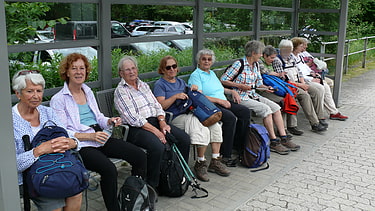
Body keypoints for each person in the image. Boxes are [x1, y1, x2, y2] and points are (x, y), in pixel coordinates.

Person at [50, 53, 147, 211]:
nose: (79, 72)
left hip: (100, 136)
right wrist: (90, 136)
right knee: (108, 169)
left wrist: (109, 121)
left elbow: (99, 117)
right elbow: (63, 131)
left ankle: (134, 197)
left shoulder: (87, 91)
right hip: (81, 144)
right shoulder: (59, 99)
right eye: (74, 68)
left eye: (82, 68)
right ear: (67, 72)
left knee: (139, 156)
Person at [114, 55, 190, 189]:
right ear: (121, 73)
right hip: (137, 129)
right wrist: (157, 131)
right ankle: (152, 186)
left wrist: (162, 122)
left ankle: (176, 176)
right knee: (157, 146)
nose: (131, 72)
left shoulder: (143, 85)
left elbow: (157, 106)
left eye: (133, 68)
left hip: (155, 122)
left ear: (137, 70)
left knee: (183, 139)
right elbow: (133, 118)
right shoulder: (121, 91)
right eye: (127, 70)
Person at [12, 69, 82, 211]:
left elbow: (67, 135)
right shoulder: (9, 120)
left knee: (76, 190)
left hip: (58, 166)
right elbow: (12, 164)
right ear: (18, 93)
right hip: (30, 176)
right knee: (55, 204)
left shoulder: (47, 112)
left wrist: (73, 143)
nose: (36, 96)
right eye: (30, 91)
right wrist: (38, 151)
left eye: (39, 91)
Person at [153, 55, 230, 182]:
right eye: (168, 67)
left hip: (189, 111)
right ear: (163, 69)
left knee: (214, 124)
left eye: (174, 66)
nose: (172, 69)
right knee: (199, 125)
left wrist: (193, 89)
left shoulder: (180, 82)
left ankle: (215, 160)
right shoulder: (160, 84)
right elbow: (160, 106)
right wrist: (175, 97)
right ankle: (200, 162)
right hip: (174, 116)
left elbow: (190, 95)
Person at [221, 40, 300, 155]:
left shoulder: (256, 65)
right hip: (240, 97)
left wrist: (266, 88)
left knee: (276, 108)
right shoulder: (239, 64)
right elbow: (223, 80)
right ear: (253, 53)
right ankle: (273, 141)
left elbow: (258, 84)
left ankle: (283, 138)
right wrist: (239, 86)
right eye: (260, 53)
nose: (262, 55)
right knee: (266, 110)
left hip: (253, 95)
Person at [188, 49, 251, 166]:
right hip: (209, 106)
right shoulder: (196, 75)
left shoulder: (211, 73)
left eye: (209, 59)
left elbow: (220, 89)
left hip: (222, 101)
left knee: (244, 112)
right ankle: (225, 155)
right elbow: (198, 97)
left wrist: (232, 91)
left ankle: (238, 146)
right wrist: (219, 101)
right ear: (199, 61)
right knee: (230, 118)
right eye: (204, 59)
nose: (206, 62)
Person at [272, 39, 327, 132]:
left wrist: (302, 82)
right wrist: (300, 85)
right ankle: (314, 123)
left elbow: (299, 72)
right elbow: (283, 79)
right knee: (305, 96)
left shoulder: (291, 57)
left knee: (317, 90)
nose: (288, 52)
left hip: (298, 82)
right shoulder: (278, 60)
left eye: (290, 49)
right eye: (286, 49)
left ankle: (320, 118)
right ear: (281, 49)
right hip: (290, 84)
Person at [293, 37, 348, 121]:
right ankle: (320, 115)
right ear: (295, 47)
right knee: (321, 87)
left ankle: (333, 112)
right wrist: (311, 79)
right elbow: (298, 73)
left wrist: (313, 73)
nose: (304, 48)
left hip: (309, 77)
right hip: (302, 81)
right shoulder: (292, 57)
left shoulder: (299, 56)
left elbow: (304, 68)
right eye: (301, 46)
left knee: (325, 85)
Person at [258, 45, 304, 136]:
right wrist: (278, 74)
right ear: (264, 55)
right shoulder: (259, 62)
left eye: (274, 58)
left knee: (289, 96)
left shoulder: (272, 62)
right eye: (271, 58)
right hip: (263, 89)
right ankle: (283, 129)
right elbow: (265, 72)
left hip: (274, 87)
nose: (273, 60)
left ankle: (291, 126)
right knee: (283, 100)